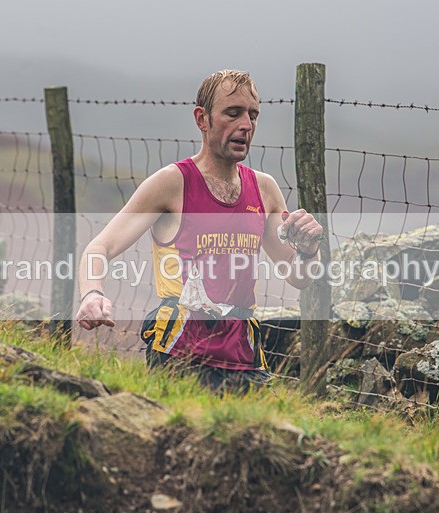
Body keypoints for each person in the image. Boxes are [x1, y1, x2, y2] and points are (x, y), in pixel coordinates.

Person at [75, 69, 323, 393]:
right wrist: (92, 294)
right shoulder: (172, 183)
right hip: (179, 344)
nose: (245, 125)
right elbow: (100, 248)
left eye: (253, 115)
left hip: (243, 347)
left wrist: (308, 250)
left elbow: (299, 276)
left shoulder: (264, 189)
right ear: (202, 119)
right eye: (232, 113)